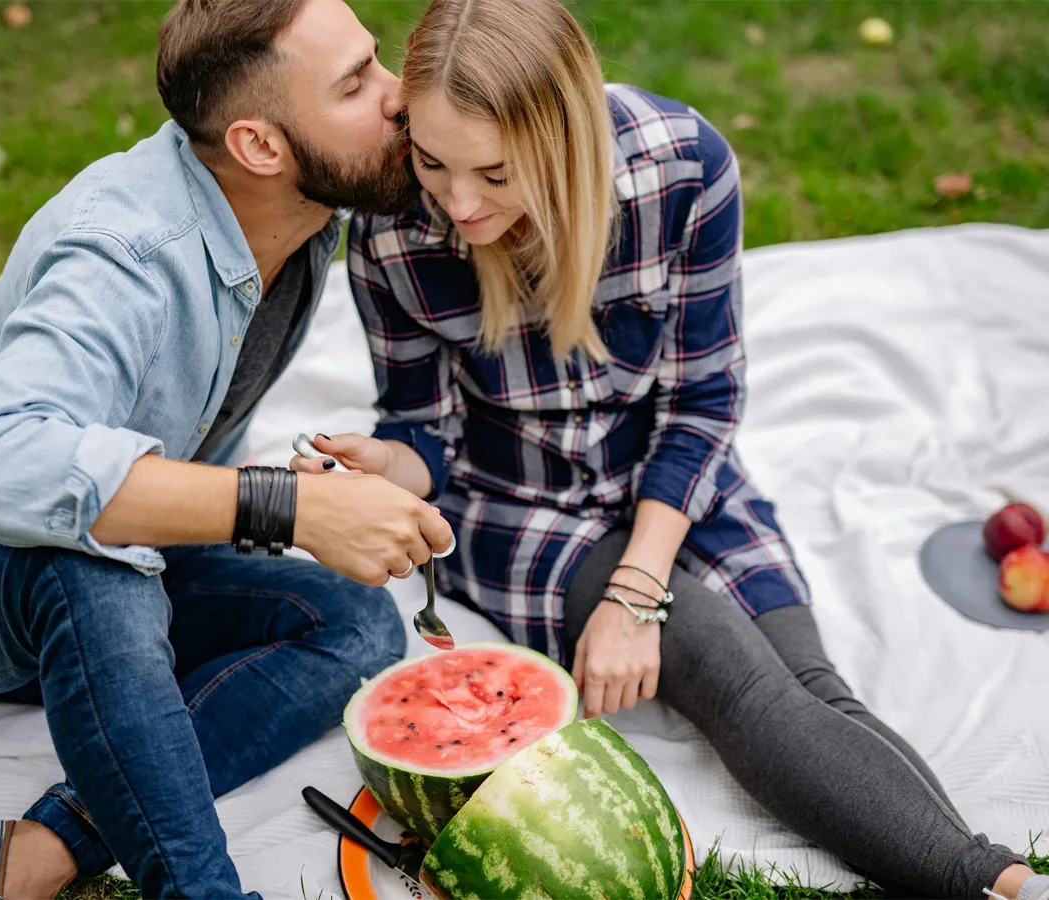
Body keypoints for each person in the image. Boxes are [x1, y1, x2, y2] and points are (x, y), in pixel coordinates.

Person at [290, 1, 1048, 898]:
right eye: (432, 161)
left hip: (679, 472)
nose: (458, 204)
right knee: (735, 685)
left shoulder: (681, 168)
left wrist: (637, 588)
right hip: (517, 507)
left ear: (566, 141)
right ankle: (994, 883)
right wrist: (390, 468)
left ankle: (993, 880)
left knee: (808, 679)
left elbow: (704, 398)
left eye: (497, 173)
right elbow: (425, 430)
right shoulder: (389, 234)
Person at [0, 0, 456, 897]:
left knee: (358, 622)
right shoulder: (126, 250)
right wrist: (282, 506)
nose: (399, 96)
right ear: (259, 147)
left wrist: (315, 493)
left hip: (116, 562)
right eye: (357, 83)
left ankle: (40, 850)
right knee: (93, 567)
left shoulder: (306, 208)